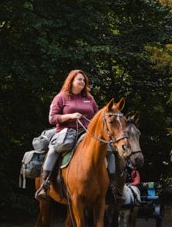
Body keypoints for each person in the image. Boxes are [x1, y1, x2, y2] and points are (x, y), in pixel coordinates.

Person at [35, 69, 121, 203]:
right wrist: (70, 115)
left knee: (110, 152)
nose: (82, 82)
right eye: (79, 79)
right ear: (71, 81)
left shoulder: (89, 98)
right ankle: (44, 186)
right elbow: (52, 118)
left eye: (84, 80)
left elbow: (97, 118)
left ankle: (112, 188)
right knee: (53, 150)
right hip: (66, 131)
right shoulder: (61, 97)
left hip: (87, 133)